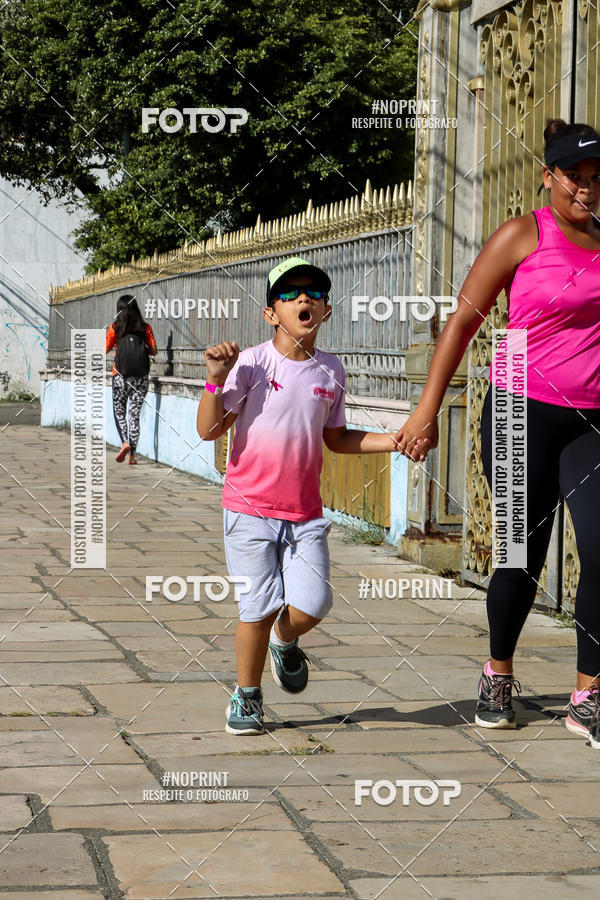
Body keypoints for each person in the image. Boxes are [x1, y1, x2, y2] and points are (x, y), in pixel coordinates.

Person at [396, 119, 600, 747]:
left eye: (599, 180)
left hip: (592, 418)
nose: (589, 192)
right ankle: (498, 672)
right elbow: (460, 324)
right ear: (550, 177)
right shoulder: (521, 235)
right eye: (577, 179)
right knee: (520, 553)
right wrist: (427, 411)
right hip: (520, 409)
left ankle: (587, 694)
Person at [196, 256, 416, 735]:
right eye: (290, 294)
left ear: (326, 311)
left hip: (303, 514)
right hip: (248, 510)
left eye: (313, 294)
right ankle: (248, 696)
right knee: (255, 608)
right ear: (271, 313)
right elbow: (210, 429)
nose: (303, 299)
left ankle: (285, 640)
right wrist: (215, 377)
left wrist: (395, 440)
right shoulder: (251, 363)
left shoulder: (331, 371)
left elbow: (337, 438)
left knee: (313, 605)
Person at [105, 294, 157, 465]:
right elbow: (154, 350)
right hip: (141, 378)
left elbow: (104, 349)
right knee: (134, 416)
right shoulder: (145, 328)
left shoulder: (115, 328)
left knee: (119, 412)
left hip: (119, 376)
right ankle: (132, 456)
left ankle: (125, 443)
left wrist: (117, 346)